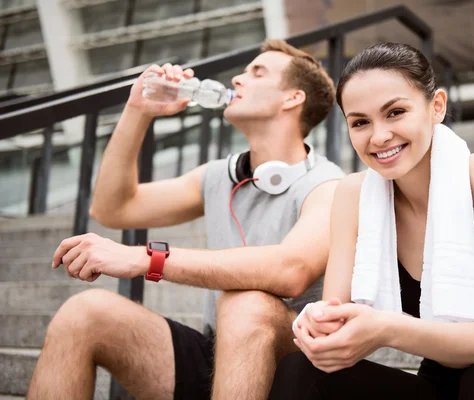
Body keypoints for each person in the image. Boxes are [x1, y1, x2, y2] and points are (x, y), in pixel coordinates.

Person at [27, 39, 345, 400]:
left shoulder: (327, 185)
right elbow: (112, 208)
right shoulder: (220, 175)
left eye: (257, 73)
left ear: (292, 98)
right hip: (218, 354)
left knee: (245, 303)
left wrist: (148, 258)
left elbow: (291, 270)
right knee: (84, 312)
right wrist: (138, 111)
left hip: (296, 367)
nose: (238, 80)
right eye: (243, 72)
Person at [269, 43, 474, 400]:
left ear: (437, 107)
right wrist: (319, 328)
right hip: (441, 386)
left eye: (396, 112)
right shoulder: (353, 195)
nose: (379, 136)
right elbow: (337, 319)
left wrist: (389, 328)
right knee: (301, 369)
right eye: (360, 122)